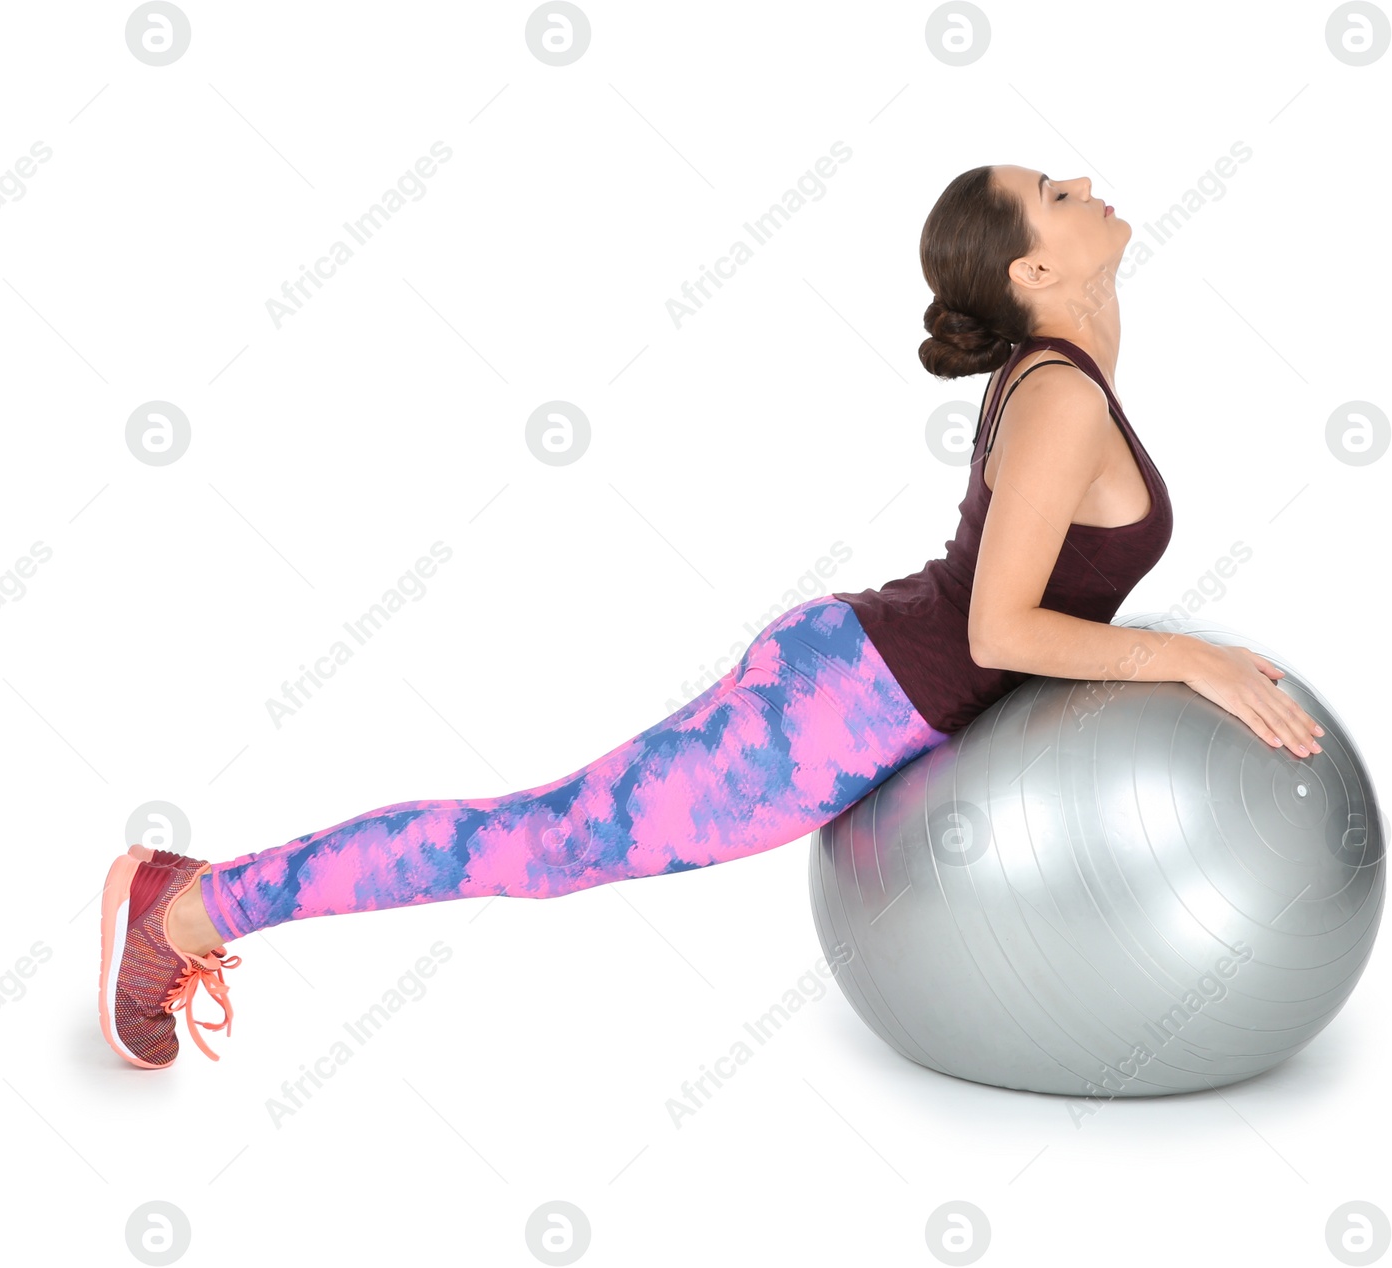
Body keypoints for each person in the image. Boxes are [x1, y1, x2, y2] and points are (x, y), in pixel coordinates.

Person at [97, 164, 1324, 1069]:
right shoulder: (1060, 394)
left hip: (852, 669)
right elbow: (1003, 631)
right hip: (834, 712)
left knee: (537, 833)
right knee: (534, 844)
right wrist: (1186, 658)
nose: (1086, 181)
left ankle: (189, 892)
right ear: (1034, 272)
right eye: (1057, 194)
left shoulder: (1072, 359)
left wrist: (1174, 659)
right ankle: (185, 906)